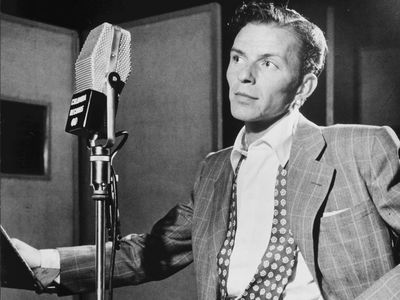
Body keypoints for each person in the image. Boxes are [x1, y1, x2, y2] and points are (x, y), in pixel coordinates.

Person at [12, 1, 400, 299]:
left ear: (305, 86)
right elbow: (152, 251)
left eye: (268, 63)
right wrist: (42, 262)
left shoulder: (362, 148)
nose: (244, 76)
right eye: (237, 58)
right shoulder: (215, 170)